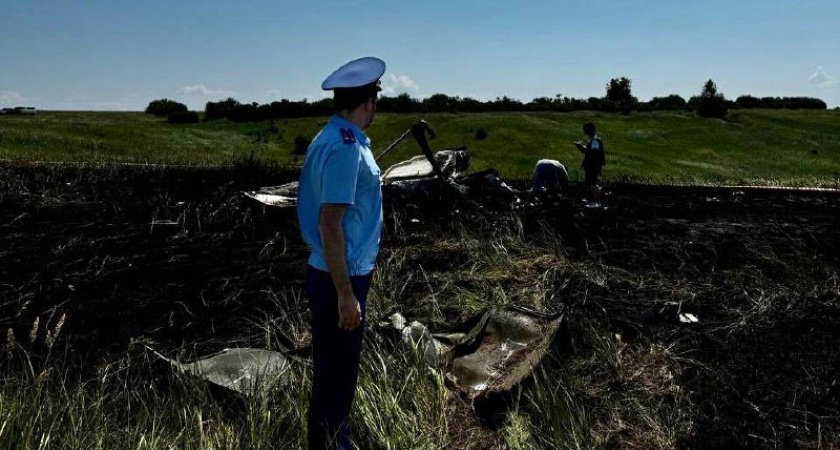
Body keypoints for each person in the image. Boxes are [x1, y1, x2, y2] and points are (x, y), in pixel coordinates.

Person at [296, 56, 386, 450]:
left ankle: (327, 442)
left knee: (330, 372)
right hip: (340, 277)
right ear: (368, 102)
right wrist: (346, 294)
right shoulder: (347, 149)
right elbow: (330, 224)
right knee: (338, 375)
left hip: (330, 271)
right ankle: (335, 445)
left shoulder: (327, 137)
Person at [574, 121, 606, 208]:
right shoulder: (594, 140)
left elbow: (593, 152)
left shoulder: (594, 141)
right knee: (595, 184)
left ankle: (594, 202)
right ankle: (597, 203)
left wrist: (581, 147)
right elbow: (590, 151)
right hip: (595, 165)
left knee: (592, 184)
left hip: (593, 166)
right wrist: (581, 147)